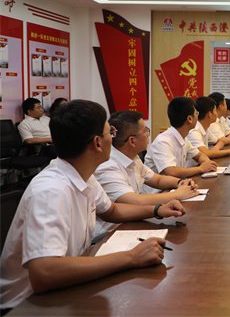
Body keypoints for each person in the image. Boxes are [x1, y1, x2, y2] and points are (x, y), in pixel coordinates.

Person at [0, 100, 185, 311]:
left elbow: (111, 210)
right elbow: (45, 272)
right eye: (110, 133)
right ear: (98, 143)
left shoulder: (83, 175)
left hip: (67, 285)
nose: (113, 139)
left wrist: (157, 210)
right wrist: (132, 257)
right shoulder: (51, 190)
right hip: (27, 304)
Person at [95, 110, 200, 205]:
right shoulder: (108, 167)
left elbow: (157, 180)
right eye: (145, 131)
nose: (147, 134)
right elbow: (136, 201)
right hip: (126, 219)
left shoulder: (133, 157)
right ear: (132, 141)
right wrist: (177, 194)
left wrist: (180, 182)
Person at [144, 97, 217, 177]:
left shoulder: (183, 138)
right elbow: (171, 172)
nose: (197, 116)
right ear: (189, 119)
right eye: (196, 113)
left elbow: (200, 155)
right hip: (163, 185)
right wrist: (201, 168)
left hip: (177, 183)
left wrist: (206, 163)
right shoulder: (163, 141)